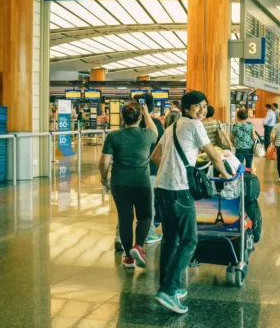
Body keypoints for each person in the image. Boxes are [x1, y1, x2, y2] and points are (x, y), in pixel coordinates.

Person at [151, 91, 232, 314]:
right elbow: (213, 154)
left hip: (162, 187)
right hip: (179, 190)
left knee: (170, 239)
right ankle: (169, 290)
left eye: (204, 105)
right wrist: (226, 174)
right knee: (189, 240)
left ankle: (167, 286)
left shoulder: (172, 127)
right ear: (186, 108)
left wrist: (171, 168)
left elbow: (155, 157)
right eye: (197, 106)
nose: (202, 110)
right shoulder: (196, 125)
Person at [99, 101, 158, 269]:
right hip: (141, 182)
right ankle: (138, 246)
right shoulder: (147, 134)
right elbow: (155, 131)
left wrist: (104, 178)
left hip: (119, 182)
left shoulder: (113, 136)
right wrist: (146, 113)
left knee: (125, 218)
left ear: (122, 117)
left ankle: (129, 257)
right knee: (145, 216)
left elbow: (104, 162)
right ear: (139, 117)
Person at [138, 94, 165, 245]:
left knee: (126, 207)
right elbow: (161, 142)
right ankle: (148, 233)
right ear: (152, 107)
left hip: (129, 170)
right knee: (149, 203)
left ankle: (120, 237)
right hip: (150, 168)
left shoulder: (128, 124)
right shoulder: (155, 124)